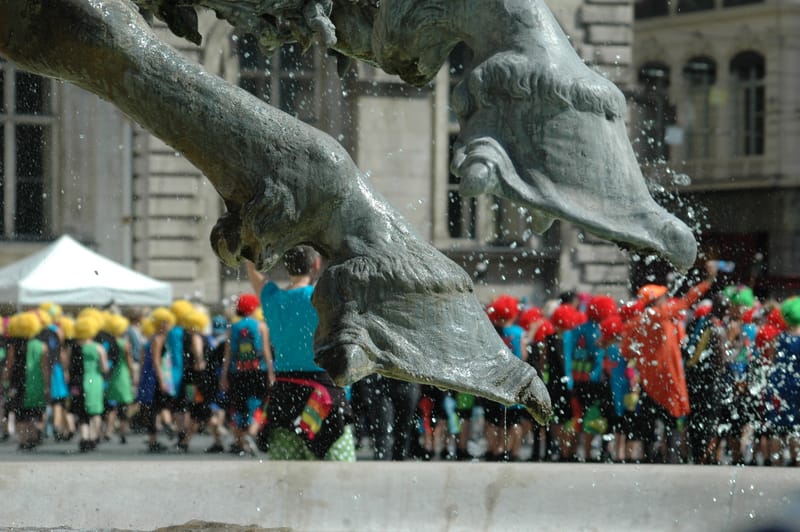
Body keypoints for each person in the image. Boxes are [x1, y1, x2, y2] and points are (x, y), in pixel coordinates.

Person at [246, 245, 355, 461]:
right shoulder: (323, 298)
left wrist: (250, 254)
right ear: (316, 265)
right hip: (324, 396)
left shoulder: (272, 298)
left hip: (284, 395)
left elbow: (255, 273)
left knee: (286, 481)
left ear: (286, 268)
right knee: (341, 478)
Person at [622, 260, 718, 463]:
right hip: (668, 378)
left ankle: (650, 456)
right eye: (664, 297)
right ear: (656, 301)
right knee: (673, 419)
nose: (667, 299)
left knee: (649, 419)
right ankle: (671, 456)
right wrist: (708, 280)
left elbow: (625, 352)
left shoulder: (634, 323)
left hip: (648, 381)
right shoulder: (662, 314)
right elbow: (687, 300)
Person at [221, 293, 272, 455]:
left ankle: (240, 441)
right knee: (259, 403)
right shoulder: (261, 326)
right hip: (258, 371)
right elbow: (265, 351)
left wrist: (223, 375)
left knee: (238, 405)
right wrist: (271, 373)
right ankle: (252, 431)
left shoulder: (232, 328)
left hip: (237, 372)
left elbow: (227, 355)